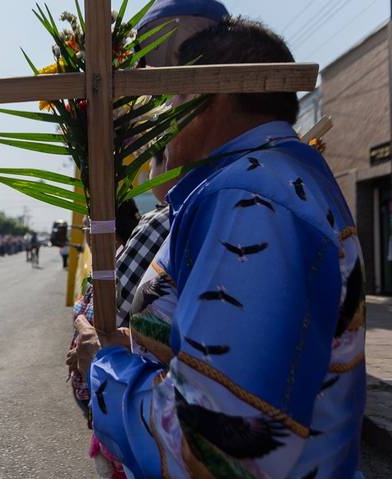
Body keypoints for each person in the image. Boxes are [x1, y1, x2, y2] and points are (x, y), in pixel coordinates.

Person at [81, 18, 366, 478]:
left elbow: (213, 447)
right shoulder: (267, 179)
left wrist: (105, 365)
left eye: (170, 98)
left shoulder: (251, 198)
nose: (161, 123)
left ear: (206, 96)